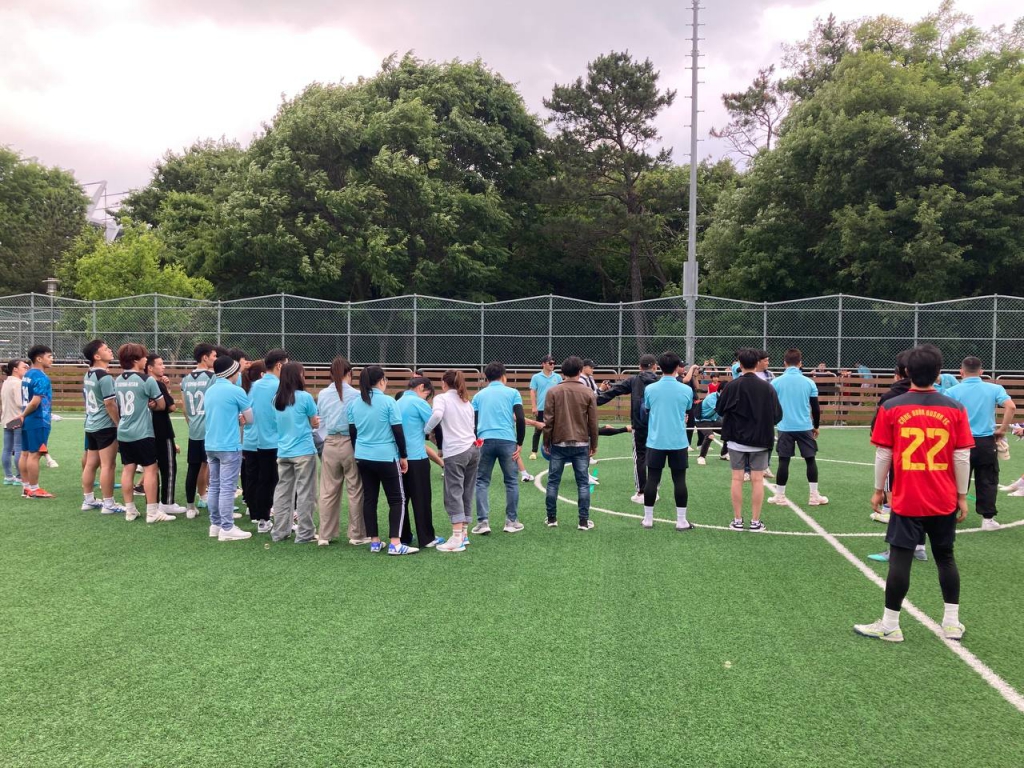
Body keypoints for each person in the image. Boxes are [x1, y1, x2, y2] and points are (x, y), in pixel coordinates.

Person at [854, 344, 973, 643]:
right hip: (943, 497)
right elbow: (961, 457)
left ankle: (891, 625)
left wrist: (878, 490)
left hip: (907, 498)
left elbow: (883, 453)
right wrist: (961, 495)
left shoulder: (892, 407)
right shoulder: (955, 408)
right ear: (939, 373)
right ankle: (951, 623)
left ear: (907, 372)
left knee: (900, 559)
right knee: (945, 557)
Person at [866, 350, 929, 563]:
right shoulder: (938, 398)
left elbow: (879, 433)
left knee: (898, 504)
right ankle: (920, 546)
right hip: (929, 462)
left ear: (901, 372)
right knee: (920, 503)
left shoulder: (893, 398)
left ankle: (896, 549)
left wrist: (877, 490)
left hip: (900, 460)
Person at [347, 365, 417, 555]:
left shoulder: (354, 403)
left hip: (363, 456)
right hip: (386, 456)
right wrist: (404, 456)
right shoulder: (388, 402)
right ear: (381, 381)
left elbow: (353, 433)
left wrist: (359, 452)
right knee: (397, 499)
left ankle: (375, 542)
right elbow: (398, 431)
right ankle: (395, 543)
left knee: (370, 498)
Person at [945, 356, 1017, 530]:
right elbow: (1011, 406)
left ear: (961, 372)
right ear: (981, 372)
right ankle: (988, 519)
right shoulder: (994, 388)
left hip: (961, 442)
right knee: (988, 479)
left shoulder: (952, 392)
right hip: (986, 441)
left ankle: (950, 517)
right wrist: (1003, 429)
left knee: (956, 479)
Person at [716, 347, 783, 531]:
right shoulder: (767, 387)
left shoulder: (732, 386)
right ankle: (755, 521)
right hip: (760, 439)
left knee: (737, 478)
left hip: (736, 439)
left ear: (740, 364)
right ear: (757, 363)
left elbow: (720, 409)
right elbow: (778, 415)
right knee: (757, 479)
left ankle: (737, 520)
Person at [113, 343, 172, 523]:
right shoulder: (147, 380)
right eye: (144, 357)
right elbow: (162, 405)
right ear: (136, 360)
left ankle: (130, 510)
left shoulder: (118, 380)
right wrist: (153, 403)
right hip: (143, 432)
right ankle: (152, 513)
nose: (146, 359)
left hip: (124, 431)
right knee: (150, 469)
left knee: (128, 468)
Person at [315, 357, 367, 547]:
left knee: (328, 491)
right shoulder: (356, 394)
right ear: (349, 374)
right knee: (355, 489)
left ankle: (324, 534)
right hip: (350, 443)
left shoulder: (322, 394)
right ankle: (357, 534)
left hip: (329, 443)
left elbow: (321, 418)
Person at [542, 356, 599, 530]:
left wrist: (546, 441)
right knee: (582, 483)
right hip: (581, 442)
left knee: (553, 482)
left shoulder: (553, 391)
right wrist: (594, 444)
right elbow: (593, 422)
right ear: (580, 371)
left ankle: (551, 518)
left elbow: (548, 420)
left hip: (558, 442)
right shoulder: (588, 392)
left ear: (562, 372)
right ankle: (583, 521)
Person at [640, 351, 694, 531]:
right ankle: (681, 521)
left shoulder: (650, 389)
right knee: (679, 480)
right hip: (678, 441)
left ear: (660, 367)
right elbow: (686, 409)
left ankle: (648, 519)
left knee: (652, 479)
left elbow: (646, 409)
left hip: (656, 440)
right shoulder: (686, 389)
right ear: (678, 368)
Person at [426, 370, 479, 552]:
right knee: (467, 490)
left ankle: (456, 537)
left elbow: (437, 416)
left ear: (444, 383)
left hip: (456, 451)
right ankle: (464, 533)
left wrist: (425, 430)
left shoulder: (441, 399)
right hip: (472, 448)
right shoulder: (466, 401)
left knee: (453, 491)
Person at [472, 360, 527, 535]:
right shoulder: (513, 392)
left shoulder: (479, 396)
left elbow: (473, 422)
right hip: (507, 441)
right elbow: (520, 418)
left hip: (484, 441)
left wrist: (476, 440)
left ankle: (483, 522)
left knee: (481, 481)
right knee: (511, 481)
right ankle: (511, 521)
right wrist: (520, 442)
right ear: (504, 376)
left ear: (486, 377)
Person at [768, 349, 827, 507]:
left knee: (783, 461)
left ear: (784, 363)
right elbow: (815, 408)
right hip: (804, 427)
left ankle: (780, 496)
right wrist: (816, 426)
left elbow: (770, 406)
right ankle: (814, 496)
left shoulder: (776, 382)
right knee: (810, 459)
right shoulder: (809, 382)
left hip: (784, 427)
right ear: (800, 363)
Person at [204, 355, 254, 542]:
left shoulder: (210, 390)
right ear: (232, 372)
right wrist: (241, 419)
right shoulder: (236, 391)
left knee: (215, 485)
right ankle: (227, 527)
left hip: (210, 443)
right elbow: (250, 419)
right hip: (229, 445)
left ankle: (215, 524)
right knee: (227, 487)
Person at [597, 354, 659, 503]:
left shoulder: (634, 380)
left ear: (640, 367)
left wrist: (595, 399)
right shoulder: (659, 382)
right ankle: (654, 490)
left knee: (640, 456)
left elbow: (614, 391)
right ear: (655, 367)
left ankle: (642, 492)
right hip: (657, 426)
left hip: (638, 425)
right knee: (655, 457)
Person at [271, 362, 320, 544]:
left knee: (283, 492)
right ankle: (305, 532)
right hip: (304, 451)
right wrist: (314, 423)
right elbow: (314, 421)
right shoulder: (305, 397)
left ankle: (280, 531)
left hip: (283, 451)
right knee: (306, 493)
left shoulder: (276, 399)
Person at [396, 376, 444, 549]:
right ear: (422, 387)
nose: (426, 399)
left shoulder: (397, 402)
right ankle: (426, 537)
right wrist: (439, 443)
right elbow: (435, 421)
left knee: (401, 500)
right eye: (427, 395)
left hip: (398, 457)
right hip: (417, 457)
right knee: (421, 498)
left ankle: (403, 536)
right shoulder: (418, 403)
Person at [80, 340, 124, 513]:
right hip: (104, 426)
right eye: (106, 349)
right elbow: (110, 404)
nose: (110, 350)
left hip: (91, 424)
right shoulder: (104, 377)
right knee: (108, 465)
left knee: (91, 463)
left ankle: (89, 500)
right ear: (97, 356)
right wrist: (119, 423)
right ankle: (108, 504)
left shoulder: (89, 374)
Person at [249, 349, 289, 534]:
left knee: (265, 480)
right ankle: (287, 518)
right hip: (280, 441)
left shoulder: (256, 385)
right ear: (280, 365)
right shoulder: (281, 384)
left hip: (261, 441)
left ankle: (262, 519)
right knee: (285, 481)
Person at [146, 354, 186, 515]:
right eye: (160, 364)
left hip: (146, 430)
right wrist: (166, 391)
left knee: (150, 468)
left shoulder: (143, 383)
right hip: (162, 429)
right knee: (169, 467)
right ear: (150, 367)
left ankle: (152, 503)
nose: (163, 367)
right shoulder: (156, 384)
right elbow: (171, 407)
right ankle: (167, 502)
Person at [181, 343, 217, 518]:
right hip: (210, 429)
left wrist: (192, 423)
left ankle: (190, 506)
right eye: (214, 356)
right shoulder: (213, 377)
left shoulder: (186, 379)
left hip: (194, 429)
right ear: (205, 357)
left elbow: (184, 407)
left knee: (193, 467)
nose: (215, 360)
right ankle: (216, 507)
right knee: (214, 466)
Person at [16, 344, 55, 499]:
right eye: (49, 356)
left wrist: (23, 416)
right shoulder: (41, 376)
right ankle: (34, 488)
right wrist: (23, 415)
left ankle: (26, 487)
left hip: (28, 419)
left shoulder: (27, 375)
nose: (52, 359)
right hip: (38, 419)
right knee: (35, 455)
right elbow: (35, 402)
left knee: (25, 453)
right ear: (39, 358)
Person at [240, 360, 266, 523]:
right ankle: (260, 511)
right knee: (263, 477)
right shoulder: (261, 390)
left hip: (248, 440)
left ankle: (252, 509)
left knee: (251, 476)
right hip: (262, 440)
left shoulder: (246, 391)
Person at [528, 354, 562, 459]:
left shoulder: (558, 377)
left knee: (555, 430)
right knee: (538, 430)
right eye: (550, 363)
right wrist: (534, 407)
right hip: (541, 408)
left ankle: (552, 450)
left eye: (553, 363)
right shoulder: (536, 377)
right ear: (543, 364)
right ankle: (534, 451)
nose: (553, 365)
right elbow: (532, 391)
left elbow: (561, 392)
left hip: (555, 408)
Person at [2, 359, 26, 486]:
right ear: (15, 369)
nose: (26, 369)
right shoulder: (18, 383)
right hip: (17, 418)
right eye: (24, 367)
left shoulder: (6, 382)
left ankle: (8, 476)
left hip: (6, 419)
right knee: (18, 449)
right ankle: (19, 476)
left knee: (6, 449)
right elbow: (19, 402)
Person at [694, 388, 726, 465]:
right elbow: (720, 410)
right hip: (702, 421)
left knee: (729, 432)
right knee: (710, 436)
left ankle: (724, 454)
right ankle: (701, 457)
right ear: (721, 391)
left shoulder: (724, 397)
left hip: (713, 420)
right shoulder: (711, 398)